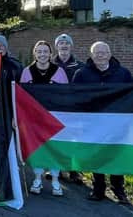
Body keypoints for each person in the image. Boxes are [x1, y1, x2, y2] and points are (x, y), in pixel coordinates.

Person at [72, 41, 133, 204]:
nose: (100, 55)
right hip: (93, 123)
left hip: (116, 123)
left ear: (109, 54)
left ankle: (119, 190)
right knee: (97, 155)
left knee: (115, 156)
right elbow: (73, 95)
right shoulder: (81, 74)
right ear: (91, 55)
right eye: (96, 53)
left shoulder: (122, 73)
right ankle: (98, 189)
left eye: (103, 52)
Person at [20, 41, 68, 196]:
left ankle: (55, 180)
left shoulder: (59, 72)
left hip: (54, 118)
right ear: (35, 53)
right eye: (39, 51)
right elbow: (22, 98)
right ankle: (37, 178)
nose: (42, 54)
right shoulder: (27, 72)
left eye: (45, 51)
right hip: (34, 119)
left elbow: (67, 95)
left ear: (50, 54)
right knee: (38, 149)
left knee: (54, 148)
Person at [51, 33, 84, 184]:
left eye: (67, 44)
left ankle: (74, 170)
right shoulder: (49, 64)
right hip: (55, 108)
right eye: (61, 44)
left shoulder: (80, 66)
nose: (64, 46)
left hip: (73, 109)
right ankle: (56, 168)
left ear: (71, 46)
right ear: (56, 47)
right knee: (56, 138)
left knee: (74, 139)